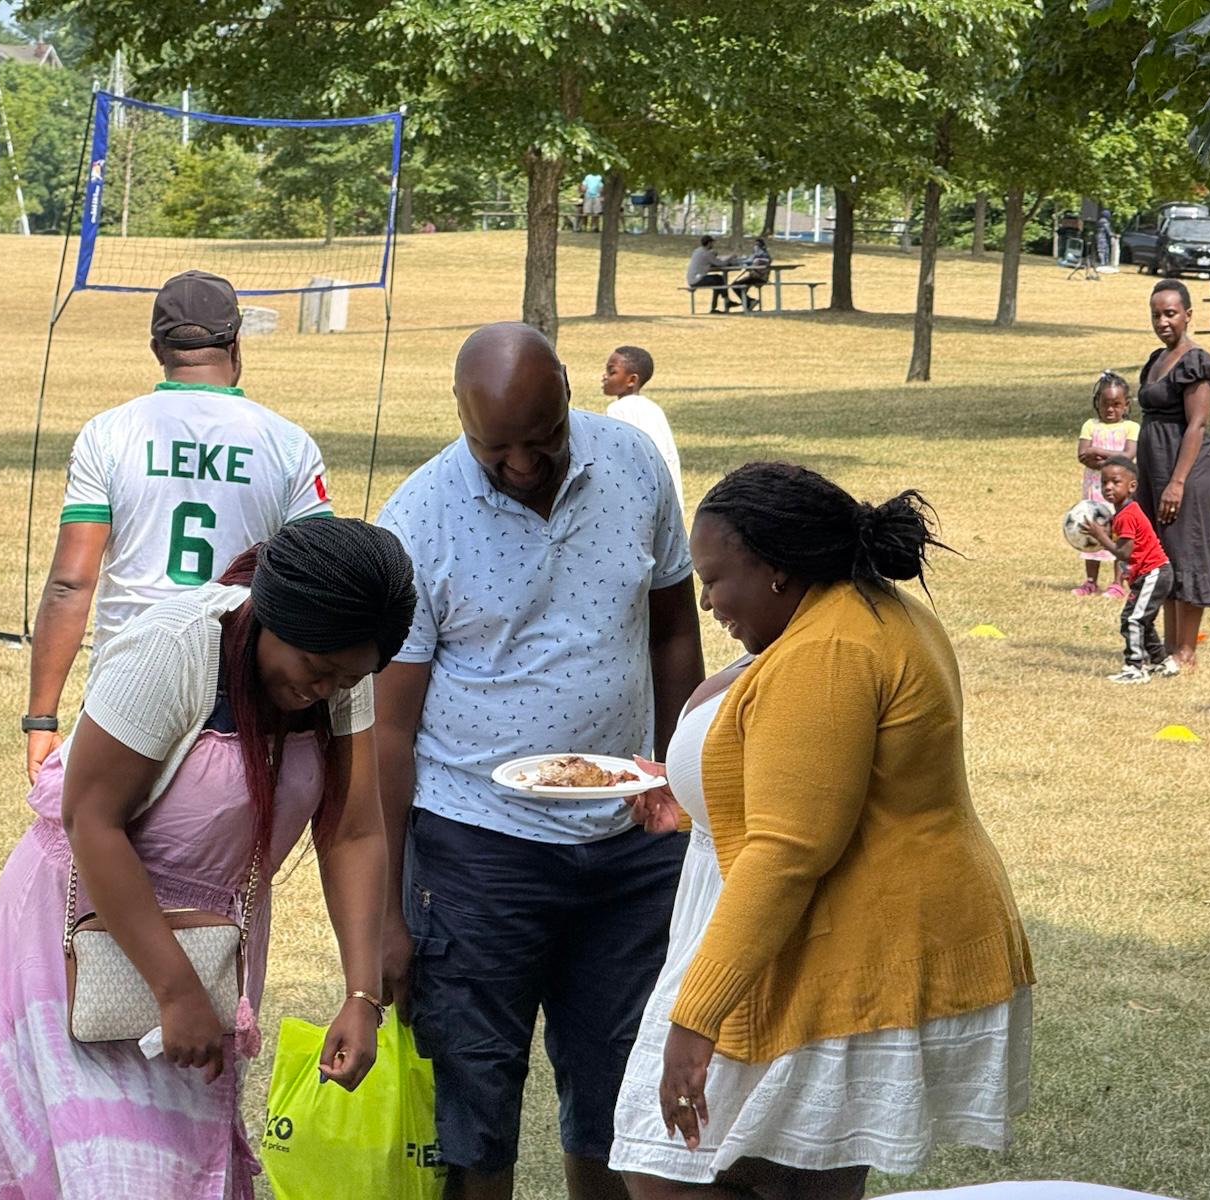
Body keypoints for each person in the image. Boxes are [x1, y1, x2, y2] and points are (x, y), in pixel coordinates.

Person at [609, 462, 1034, 1200]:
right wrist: (693, 802)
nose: (706, 601)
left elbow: (790, 851)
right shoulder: (849, 613)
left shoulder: (828, 650)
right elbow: (816, 781)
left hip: (844, 940)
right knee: (782, 1172)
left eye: (716, 579)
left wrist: (695, 1020)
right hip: (832, 934)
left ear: (776, 570)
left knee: (664, 1165)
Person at [0, 518, 416, 1199]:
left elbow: (353, 832)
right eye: (316, 669)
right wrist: (173, 990)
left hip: (208, 948)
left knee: (183, 1173)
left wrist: (361, 995)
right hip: (83, 934)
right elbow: (91, 820)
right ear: (273, 617)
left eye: (349, 677)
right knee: (119, 1177)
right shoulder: (175, 648)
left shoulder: (339, 668)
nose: (326, 690)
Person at [375, 323, 705, 1200]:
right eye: (497, 448)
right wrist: (385, 912)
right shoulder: (415, 520)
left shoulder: (633, 464)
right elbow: (388, 731)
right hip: (477, 846)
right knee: (473, 1101)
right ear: (459, 420)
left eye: (543, 439)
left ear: (569, 399)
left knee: (616, 1089)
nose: (523, 465)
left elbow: (675, 629)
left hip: (630, 837)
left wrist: (679, 775)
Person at [24, 269, 334, 782]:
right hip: (233, 677)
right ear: (236, 344)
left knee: (102, 839)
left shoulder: (108, 433)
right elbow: (318, 575)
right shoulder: (289, 444)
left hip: (128, 673)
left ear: (156, 349)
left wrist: (41, 717)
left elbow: (70, 583)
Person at [1137, 279, 1210, 669]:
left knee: (1188, 552)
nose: (1163, 321)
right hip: (1156, 468)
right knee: (1165, 556)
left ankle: (1186, 652)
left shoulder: (1195, 361)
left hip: (1186, 471)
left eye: (1170, 313)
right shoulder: (1157, 358)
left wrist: (1176, 481)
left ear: (1188, 314)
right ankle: (1170, 649)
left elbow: (1197, 425)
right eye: (1157, 314)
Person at [1082, 458, 1175, 684]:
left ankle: (1134, 667)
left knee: (1132, 619)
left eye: (1115, 482)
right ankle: (1162, 662)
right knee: (1142, 619)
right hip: (1148, 575)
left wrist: (1099, 535)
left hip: (1154, 572)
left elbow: (1123, 552)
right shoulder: (1122, 513)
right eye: (1104, 483)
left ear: (1132, 486)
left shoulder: (1128, 515)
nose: (1108, 487)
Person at [1073, 371, 1139, 598]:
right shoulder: (1090, 425)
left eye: (1116, 404)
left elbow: (1127, 456)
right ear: (1096, 404)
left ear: (1126, 405)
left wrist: (1099, 452)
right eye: (1105, 404)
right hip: (1094, 491)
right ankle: (1091, 580)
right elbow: (1083, 455)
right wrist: (1111, 462)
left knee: (1118, 534)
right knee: (1092, 531)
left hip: (1120, 495)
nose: (1110, 410)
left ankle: (1118, 582)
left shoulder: (1131, 428)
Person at [603, 344, 685, 510]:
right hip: (667, 498)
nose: (604, 376)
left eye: (612, 372)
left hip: (638, 498)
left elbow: (615, 456)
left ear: (632, 380)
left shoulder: (618, 410)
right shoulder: (653, 409)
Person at [686, 236, 740, 314]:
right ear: (709, 243)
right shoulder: (707, 253)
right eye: (712, 243)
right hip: (697, 280)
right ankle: (726, 301)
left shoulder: (697, 250)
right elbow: (721, 264)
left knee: (717, 280)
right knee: (719, 280)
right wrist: (731, 257)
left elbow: (711, 261)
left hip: (692, 278)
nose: (713, 244)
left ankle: (717, 306)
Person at [730, 237, 772, 311]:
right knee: (737, 285)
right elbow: (748, 261)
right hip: (754, 276)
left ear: (762, 246)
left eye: (758, 245)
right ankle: (749, 303)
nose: (756, 246)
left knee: (735, 285)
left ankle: (750, 302)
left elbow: (764, 261)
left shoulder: (764, 255)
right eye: (755, 245)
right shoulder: (756, 254)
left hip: (758, 277)